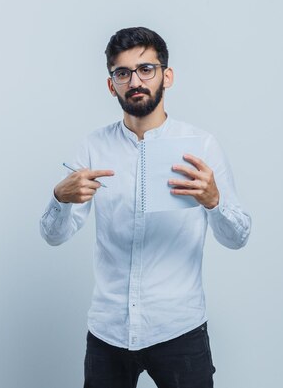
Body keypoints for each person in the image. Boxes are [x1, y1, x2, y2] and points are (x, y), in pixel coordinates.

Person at [39, 27, 251, 388]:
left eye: (146, 69)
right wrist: (59, 198)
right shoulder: (92, 147)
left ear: (166, 76)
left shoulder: (202, 145)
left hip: (178, 329)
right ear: (112, 85)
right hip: (108, 332)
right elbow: (53, 236)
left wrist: (214, 203)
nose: (135, 80)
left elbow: (238, 237)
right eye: (122, 73)